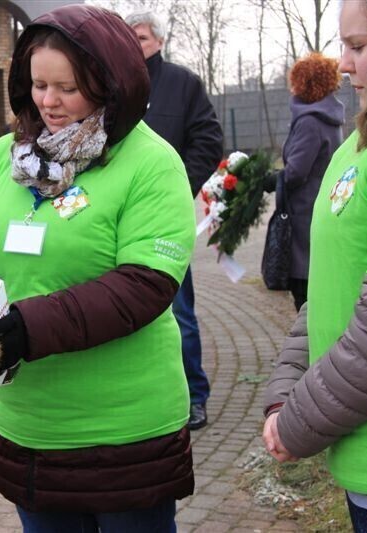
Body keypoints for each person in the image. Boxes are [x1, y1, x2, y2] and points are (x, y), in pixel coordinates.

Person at [0, 5, 197, 531]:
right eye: (39, 85)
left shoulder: (150, 162)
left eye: (68, 88)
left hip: (123, 430)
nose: (48, 102)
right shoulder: (5, 154)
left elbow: (143, 286)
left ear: (109, 84)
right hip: (29, 424)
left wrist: (25, 328)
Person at [263, 1, 367, 530]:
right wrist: (284, 391)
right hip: (365, 462)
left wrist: (299, 422)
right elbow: (331, 288)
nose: (343, 64)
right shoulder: (359, 143)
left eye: (358, 46)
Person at [126, 11, 223, 430]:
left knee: (179, 309)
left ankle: (195, 395)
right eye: (129, 37)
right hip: (120, 220)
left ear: (160, 42)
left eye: (142, 38)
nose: (136, 45)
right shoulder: (113, 85)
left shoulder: (183, 84)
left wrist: (179, 185)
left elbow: (209, 139)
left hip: (165, 221)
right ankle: (141, 396)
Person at [266, 53, 345, 311]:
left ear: (306, 84)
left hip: (303, 215)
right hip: (319, 205)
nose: (292, 88)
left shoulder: (310, 121)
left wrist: (272, 180)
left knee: (305, 293)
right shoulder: (329, 117)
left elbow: (297, 172)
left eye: (295, 82)